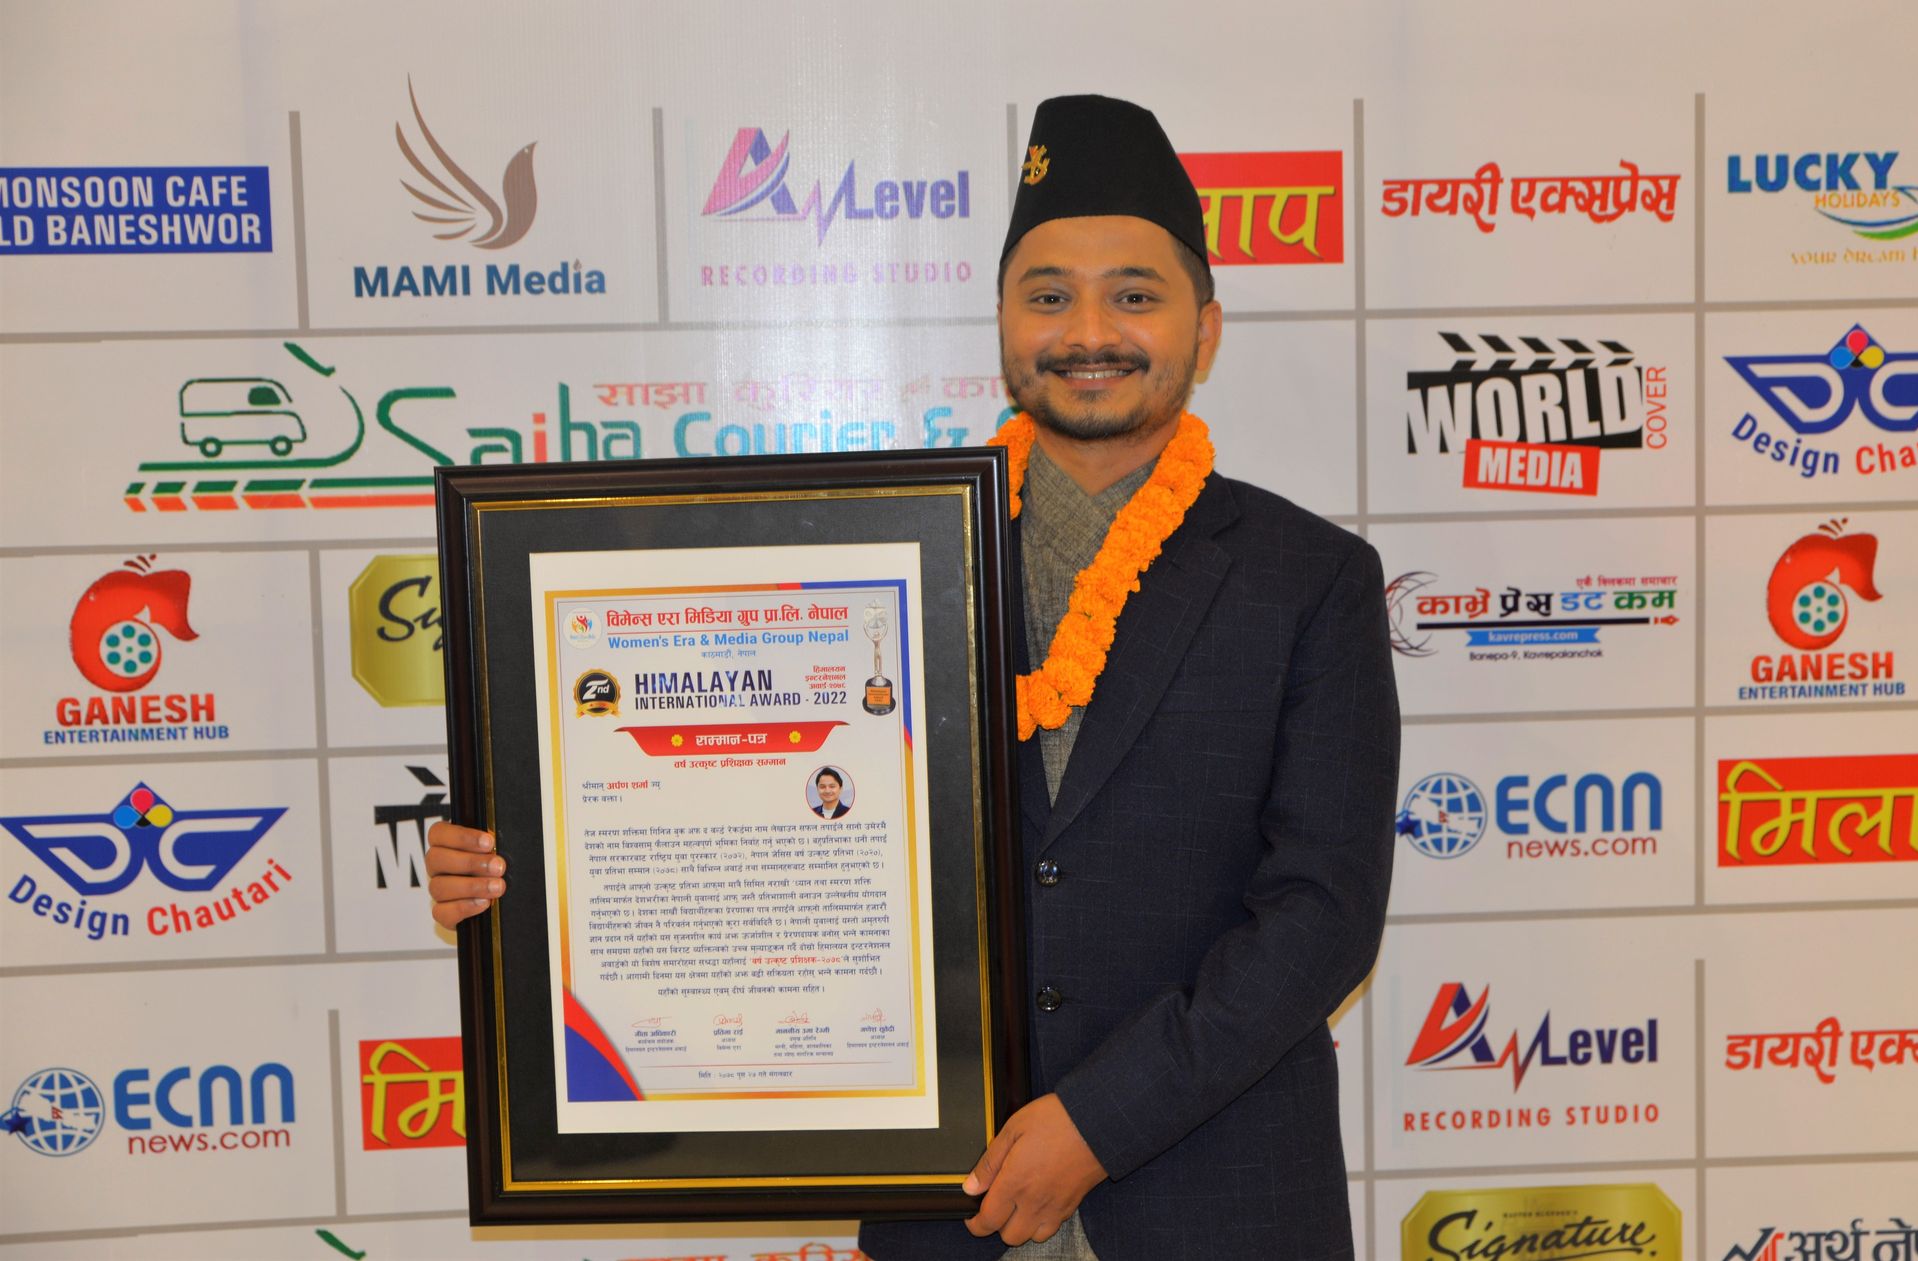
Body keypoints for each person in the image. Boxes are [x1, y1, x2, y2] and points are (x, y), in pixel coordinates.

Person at [428, 94, 1399, 1261]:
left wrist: (1097, 1124)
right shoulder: (876, 557)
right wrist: (524, 874)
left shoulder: (1307, 578)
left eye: (1134, 295)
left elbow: (1321, 914)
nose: (1089, 329)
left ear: (1205, 328)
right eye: (1048, 295)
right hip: (940, 1200)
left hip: (1219, 1197)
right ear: (1002, 323)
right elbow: (726, 791)